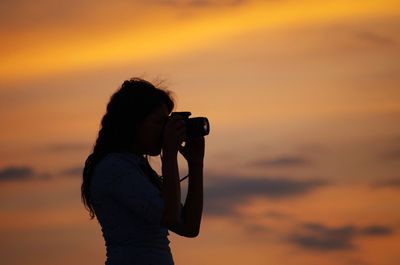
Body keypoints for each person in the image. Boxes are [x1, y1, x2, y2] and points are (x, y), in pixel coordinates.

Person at [81, 78, 204, 265]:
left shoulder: (136, 167)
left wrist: (196, 165)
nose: (164, 131)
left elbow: (190, 227)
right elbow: (170, 216)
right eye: (159, 122)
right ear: (134, 123)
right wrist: (169, 154)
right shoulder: (114, 168)